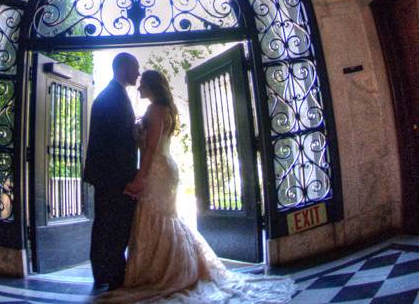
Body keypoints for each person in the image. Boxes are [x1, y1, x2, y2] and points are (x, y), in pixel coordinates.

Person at [99, 70, 295, 303]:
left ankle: (163, 274)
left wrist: (140, 178)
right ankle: (175, 268)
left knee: (156, 217)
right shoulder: (164, 109)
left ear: (151, 87)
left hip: (156, 169)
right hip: (165, 167)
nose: (139, 88)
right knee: (165, 217)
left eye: (142, 85)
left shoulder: (154, 110)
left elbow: (150, 150)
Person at [83, 52, 140, 292]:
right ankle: (110, 274)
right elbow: (113, 145)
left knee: (107, 224)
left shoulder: (114, 96)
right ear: (122, 68)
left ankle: (105, 272)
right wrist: (128, 179)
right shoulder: (111, 98)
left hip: (110, 176)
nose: (138, 74)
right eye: (134, 68)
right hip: (113, 177)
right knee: (112, 226)